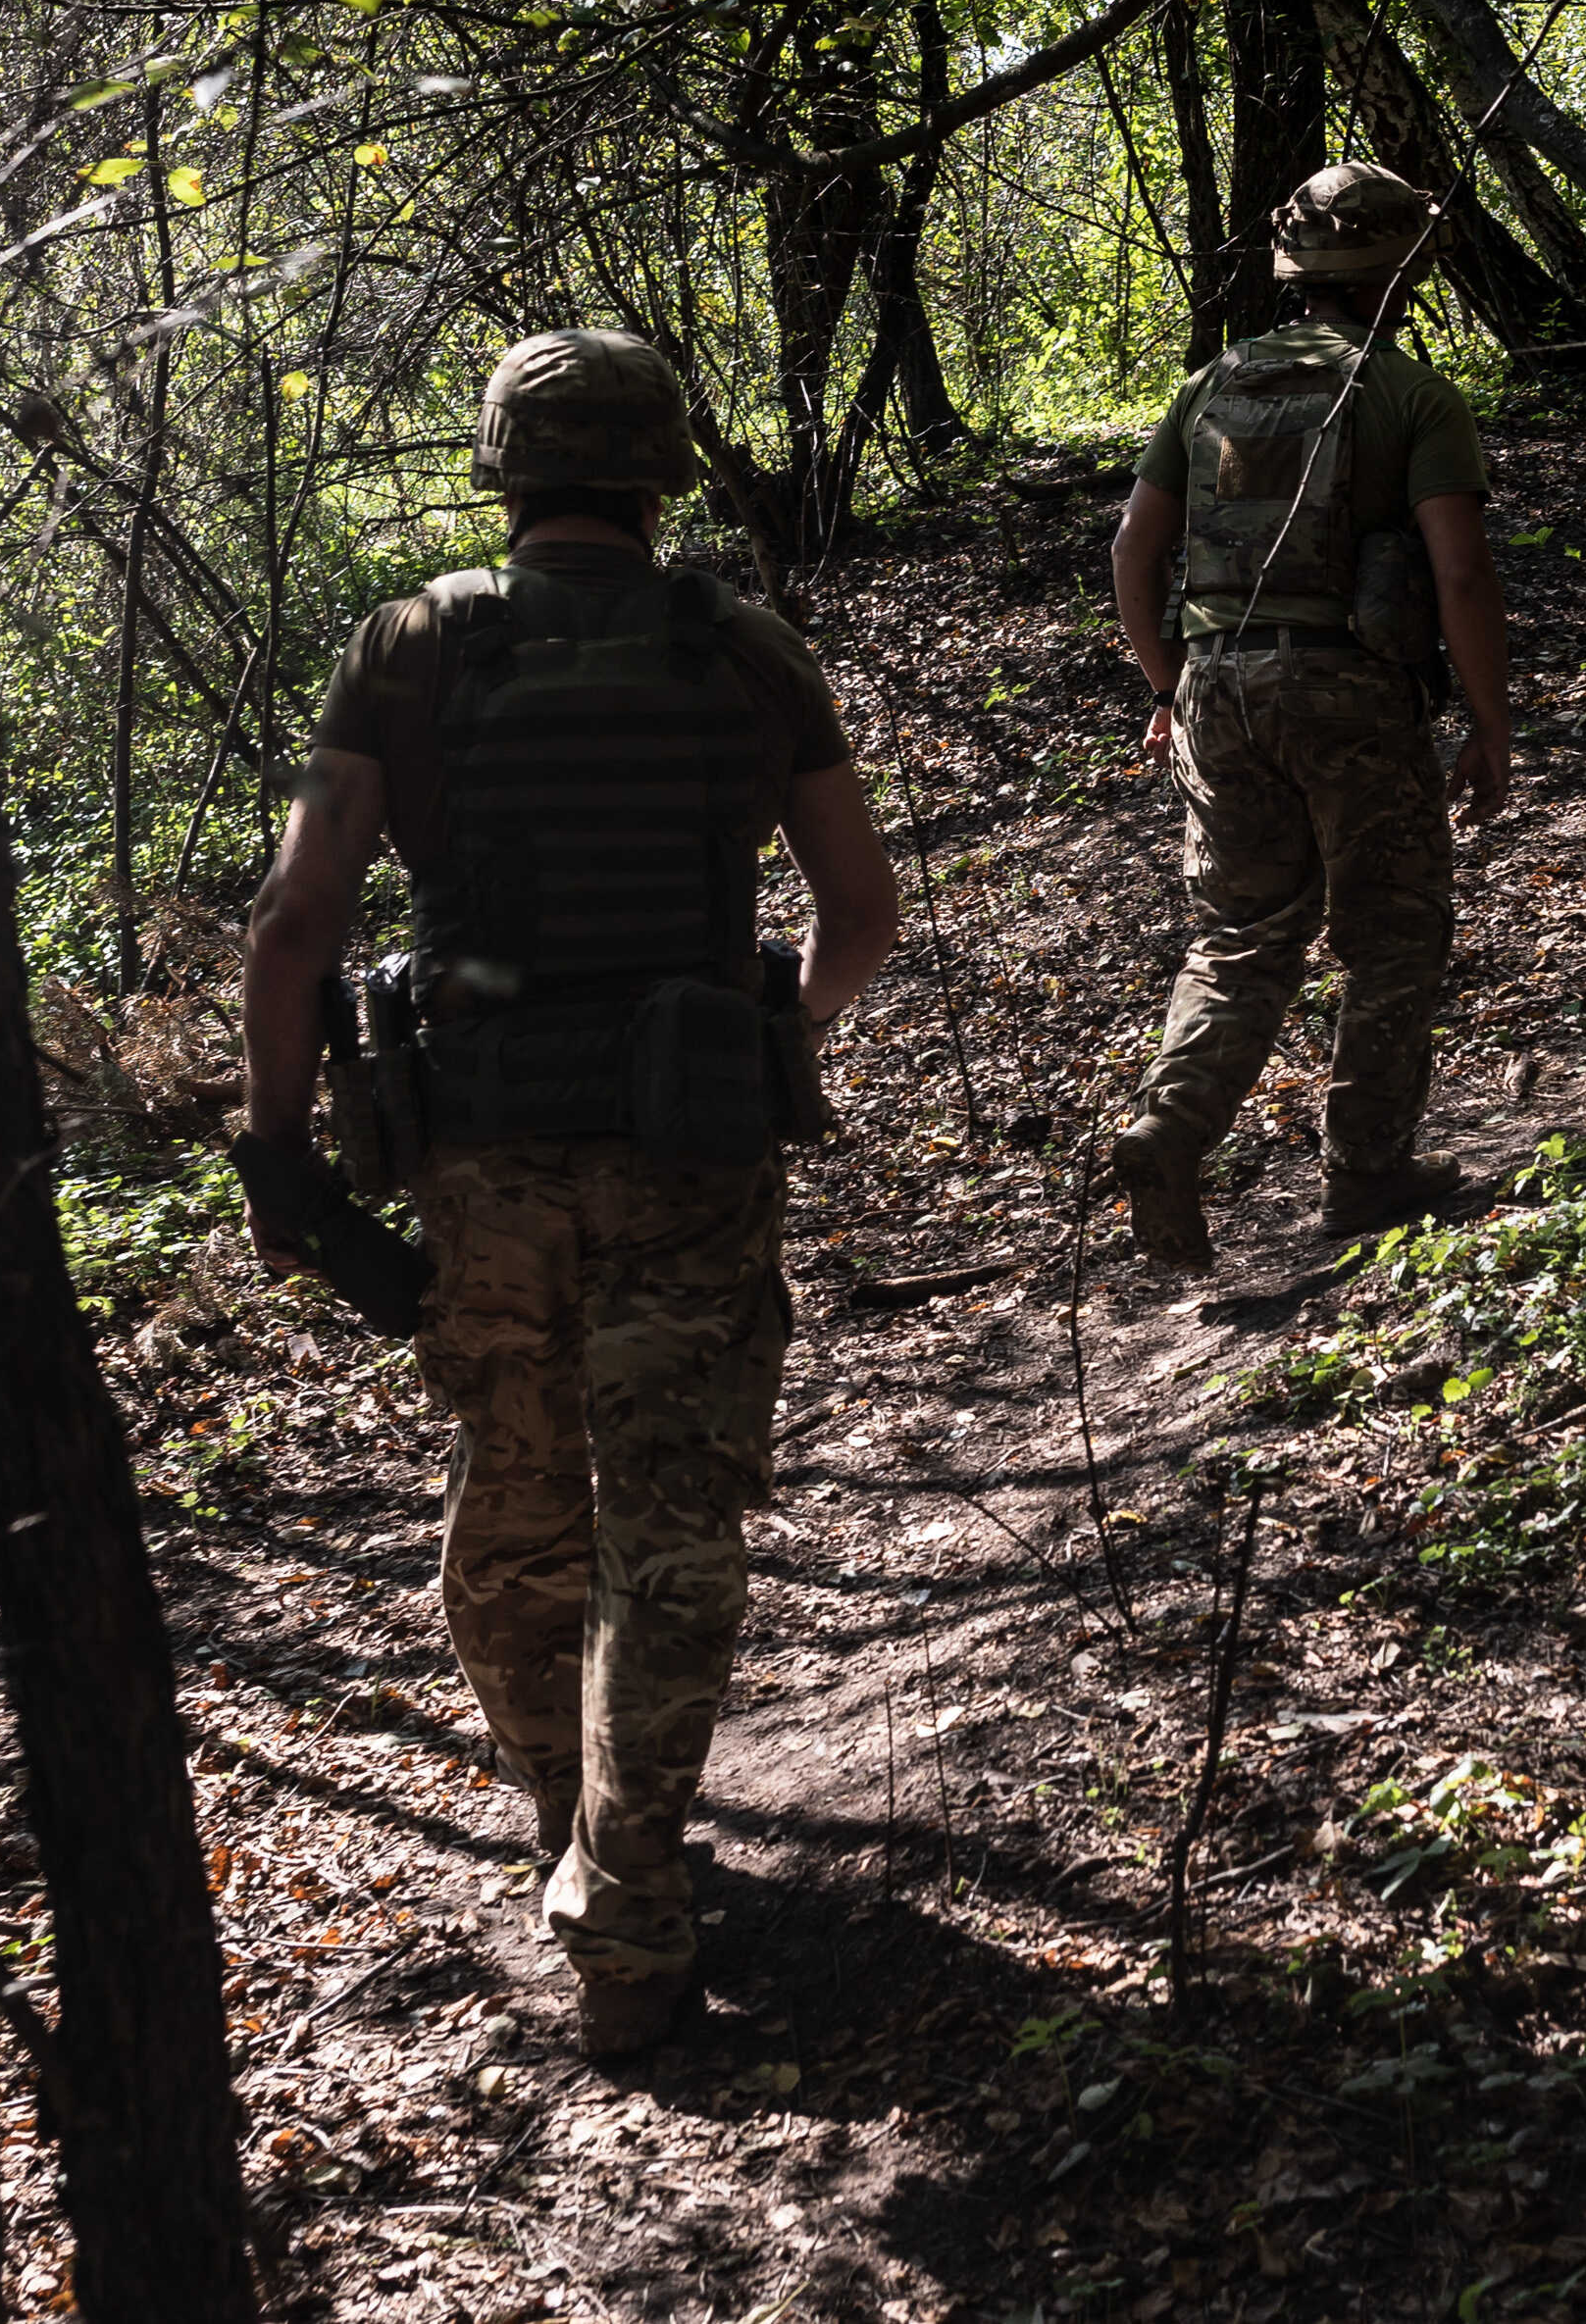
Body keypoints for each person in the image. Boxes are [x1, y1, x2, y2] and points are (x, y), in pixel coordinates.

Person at [235, 326, 898, 2056]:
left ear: (505, 466)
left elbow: (298, 924)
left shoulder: (409, 650)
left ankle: (561, 1808)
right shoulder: (741, 644)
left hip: (479, 1151)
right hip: (691, 1149)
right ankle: (626, 1887)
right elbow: (863, 916)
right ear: (662, 466)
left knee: (516, 1488)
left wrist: (282, 1138)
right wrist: (759, 1037)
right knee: (668, 1517)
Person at [1100, 161, 1517, 1272]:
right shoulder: (1411, 395)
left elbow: (1132, 553)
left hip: (1219, 689)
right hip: (1349, 692)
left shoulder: (1209, 386)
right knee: (1389, 933)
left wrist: (1165, 690)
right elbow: (1461, 575)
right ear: (1402, 269)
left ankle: (1170, 1128)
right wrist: (1490, 721)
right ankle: (1367, 1170)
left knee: (1238, 936)